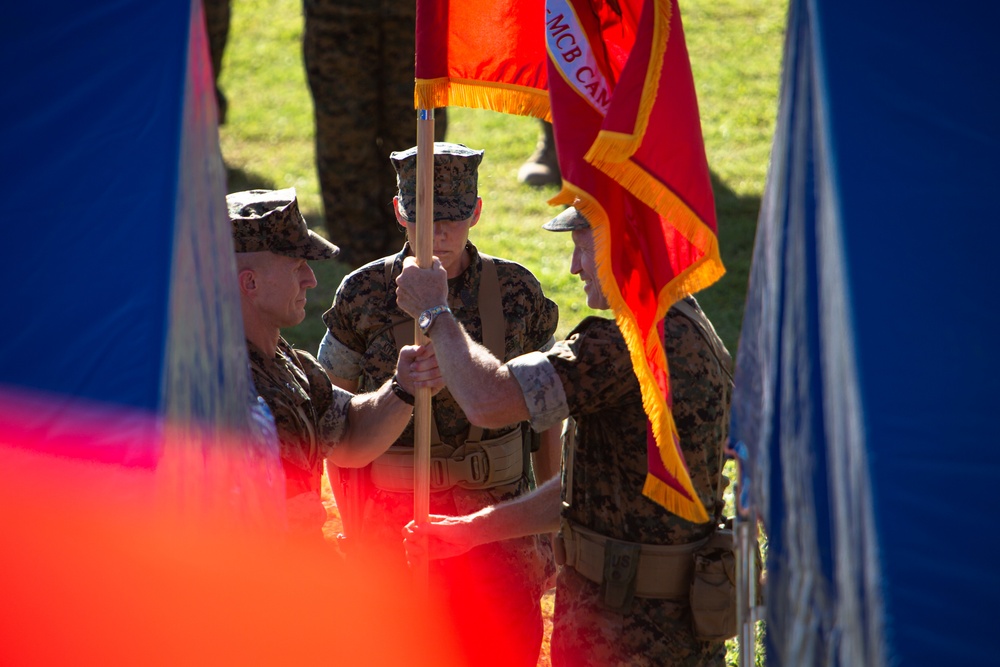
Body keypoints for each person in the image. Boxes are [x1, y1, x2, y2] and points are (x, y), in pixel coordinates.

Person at [396, 206, 733, 666]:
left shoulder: (625, 345)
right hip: (672, 624)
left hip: (623, 634)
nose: (575, 267)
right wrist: (475, 531)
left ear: (624, 246)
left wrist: (436, 312)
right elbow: (595, 488)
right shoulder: (692, 322)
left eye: (582, 246)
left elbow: (489, 402)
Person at [317, 142, 561, 667]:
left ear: (475, 212)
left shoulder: (517, 292)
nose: (439, 233)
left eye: (452, 218)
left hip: (497, 530)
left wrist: (545, 527)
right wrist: (358, 529)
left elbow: (545, 420)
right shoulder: (363, 294)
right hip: (394, 528)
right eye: (424, 218)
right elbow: (333, 419)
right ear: (400, 211)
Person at [228, 187, 442, 539]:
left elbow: (351, 435)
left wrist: (403, 387)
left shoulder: (292, 367)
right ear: (250, 282)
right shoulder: (212, 386)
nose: (311, 279)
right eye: (297, 266)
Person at [303, 0, 447, 267]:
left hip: (416, 13)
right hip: (338, 14)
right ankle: (359, 265)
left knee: (416, 137)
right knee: (345, 135)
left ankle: (414, 256)